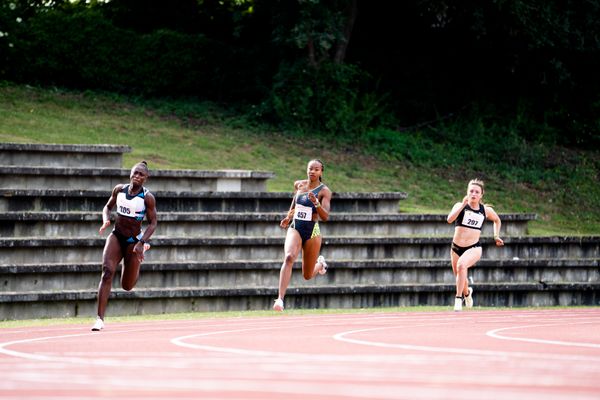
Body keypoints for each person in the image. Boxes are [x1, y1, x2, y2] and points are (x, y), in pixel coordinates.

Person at [91, 161, 158, 331]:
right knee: (107, 272)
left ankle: (138, 261)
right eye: (135, 173)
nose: (137, 176)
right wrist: (106, 219)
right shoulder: (119, 189)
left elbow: (153, 223)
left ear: (146, 178)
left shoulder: (147, 197)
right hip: (116, 236)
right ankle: (99, 319)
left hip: (134, 241)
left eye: (141, 174)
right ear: (130, 173)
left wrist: (142, 242)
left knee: (127, 286)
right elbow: (107, 206)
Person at [273, 159, 332, 311]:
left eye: (316, 169)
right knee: (289, 257)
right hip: (296, 226)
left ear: (321, 172)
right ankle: (280, 299)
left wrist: (316, 203)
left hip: (312, 230)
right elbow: (295, 200)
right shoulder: (299, 184)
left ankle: (320, 265)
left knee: (307, 275)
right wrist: (288, 216)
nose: (312, 171)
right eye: (310, 169)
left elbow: (325, 217)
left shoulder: (324, 191)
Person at [446, 179, 504, 311]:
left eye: (476, 192)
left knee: (462, 265)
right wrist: (462, 206)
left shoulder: (485, 210)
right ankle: (467, 293)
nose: (473, 194)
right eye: (471, 191)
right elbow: (449, 219)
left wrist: (496, 236)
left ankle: (458, 300)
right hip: (456, 248)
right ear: (467, 192)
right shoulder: (459, 206)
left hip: (474, 248)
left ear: (481, 195)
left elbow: (497, 220)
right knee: (460, 275)